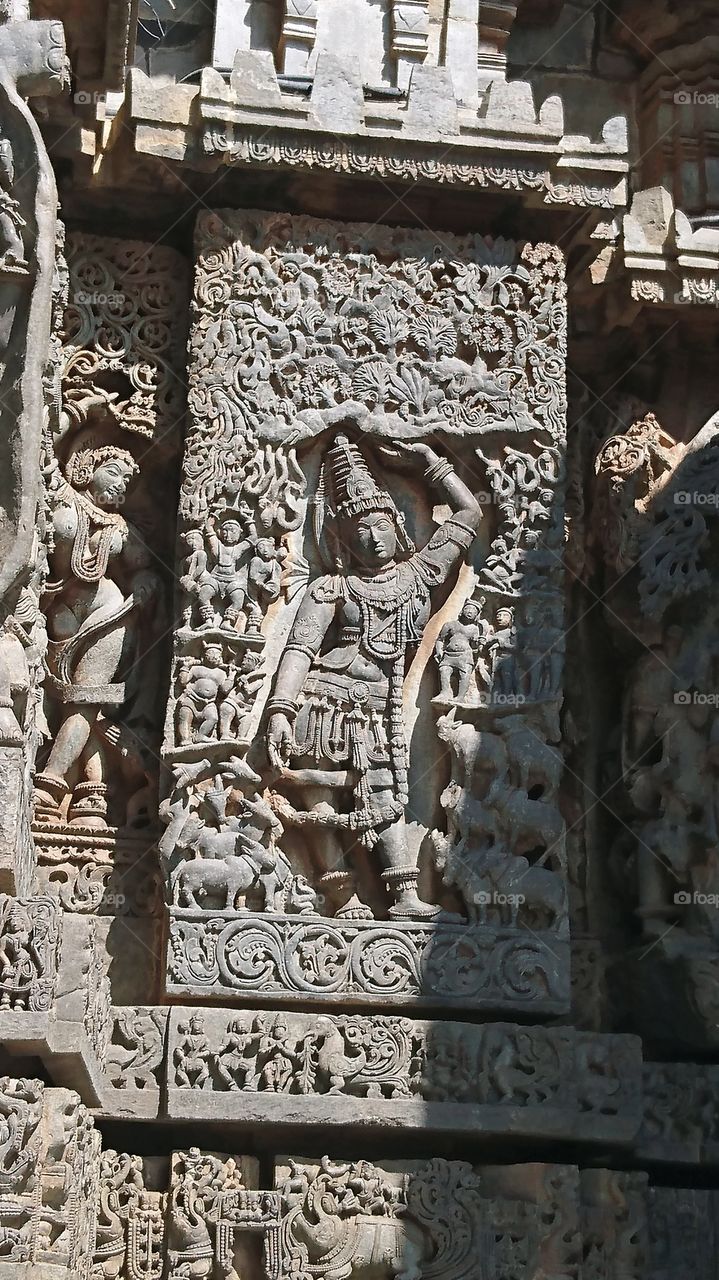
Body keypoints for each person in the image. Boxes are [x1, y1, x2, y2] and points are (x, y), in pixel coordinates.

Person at [266, 432, 482, 919]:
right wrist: (281, 709)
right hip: (323, 703)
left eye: (381, 523)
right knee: (321, 793)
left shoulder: (420, 575)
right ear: (342, 537)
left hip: (375, 708)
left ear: (397, 524)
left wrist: (430, 463)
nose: (373, 537)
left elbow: (469, 516)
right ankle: (341, 898)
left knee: (383, 792)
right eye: (359, 529)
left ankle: (404, 896)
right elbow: (299, 649)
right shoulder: (333, 588)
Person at [34, 435, 161, 826]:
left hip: (108, 610)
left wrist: (145, 582)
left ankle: (51, 783)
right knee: (61, 700)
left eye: (127, 480)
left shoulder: (120, 526)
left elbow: (143, 564)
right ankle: (93, 789)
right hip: (54, 608)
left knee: (85, 699)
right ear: (86, 469)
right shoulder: (61, 495)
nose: (120, 484)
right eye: (113, 472)